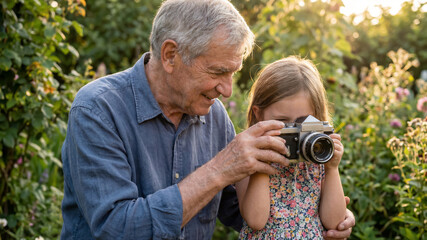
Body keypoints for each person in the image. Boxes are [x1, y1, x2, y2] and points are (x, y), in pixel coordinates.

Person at [60, 0, 355, 239]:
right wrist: (218, 170)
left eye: (233, 74)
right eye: (217, 72)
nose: (227, 91)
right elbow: (116, 229)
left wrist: (317, 217)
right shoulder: (98, 110)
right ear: (171, 55)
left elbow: (240, 212)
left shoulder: (213, 115)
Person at [236, 56, 348, 239]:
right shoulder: (249, 157)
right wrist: (264, 163)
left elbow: (334, 222)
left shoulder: (315, 161)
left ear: (318, 119)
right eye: (281, 121)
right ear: (259, 115)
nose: (294, 131)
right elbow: (256, 220)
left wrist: (332, 168)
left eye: (303, 122)